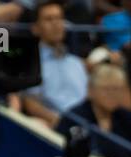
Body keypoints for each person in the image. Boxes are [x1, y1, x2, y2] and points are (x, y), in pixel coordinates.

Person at [58, 63, 131, 157]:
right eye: (106, 89)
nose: (113, 94)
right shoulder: (74, 118)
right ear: (90, 90)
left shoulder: (126, 117)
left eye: (117, 89)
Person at [20, 0, 90, 128]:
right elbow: (30, 103)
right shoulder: (31, 63)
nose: (56, 24)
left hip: (87, 125)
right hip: (56, 127)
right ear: (35, 29)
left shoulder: (76, 63)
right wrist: (60, 123)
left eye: (59, 18)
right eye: (49, 19)